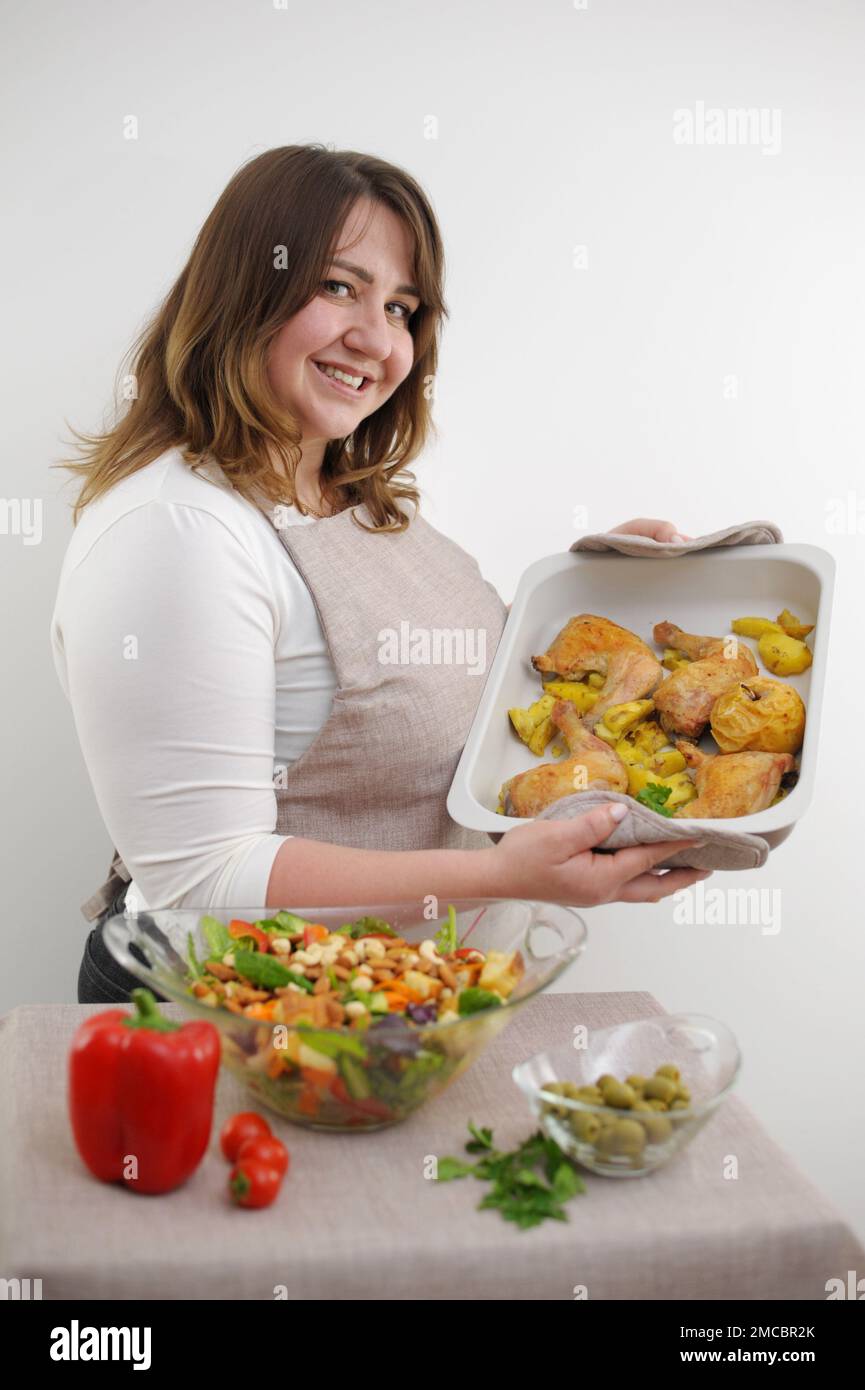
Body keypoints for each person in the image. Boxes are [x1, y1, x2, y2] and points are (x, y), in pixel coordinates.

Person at [49, 144, 712, 1004]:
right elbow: (202, 879)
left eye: (400, 307)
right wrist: (510, 875)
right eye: (336, 287)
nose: (376, 339)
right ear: (241, 288)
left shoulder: (350, 499)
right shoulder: (175, 533)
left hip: (395, 1004)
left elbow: (419, 685)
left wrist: (583, 602)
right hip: (238, 1020)